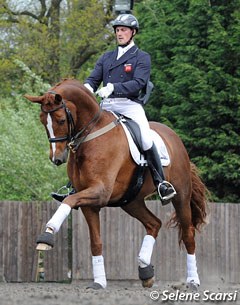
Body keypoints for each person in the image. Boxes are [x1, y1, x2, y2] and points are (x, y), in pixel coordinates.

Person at [52, 14, 176, 205]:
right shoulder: (106, 57)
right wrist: (86, 91)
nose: (120, 33)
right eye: (118, 30)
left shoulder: (141, 57)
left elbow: (139, 82)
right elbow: (93, 79)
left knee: (145, 137)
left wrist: (113, 87)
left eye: (124, 30)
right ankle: (72, 185)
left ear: (133, 32)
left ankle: (161, 183)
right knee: (81, 138)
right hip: (107, 106)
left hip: (129, 105)